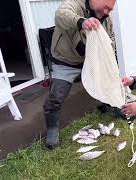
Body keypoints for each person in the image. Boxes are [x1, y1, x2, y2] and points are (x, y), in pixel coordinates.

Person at [43, 0, 116, 149]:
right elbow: (60, 15)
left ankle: (111, 105)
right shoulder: (74, 4)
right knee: (56, 96)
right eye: (106, 7)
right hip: (66, 61)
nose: (108, 12)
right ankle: (52, 128)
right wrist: (81, 22)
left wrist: (111, 60)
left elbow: (112, 40)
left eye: (111, 9)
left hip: (91, 61)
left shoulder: (107, 19)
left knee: (110, 82)